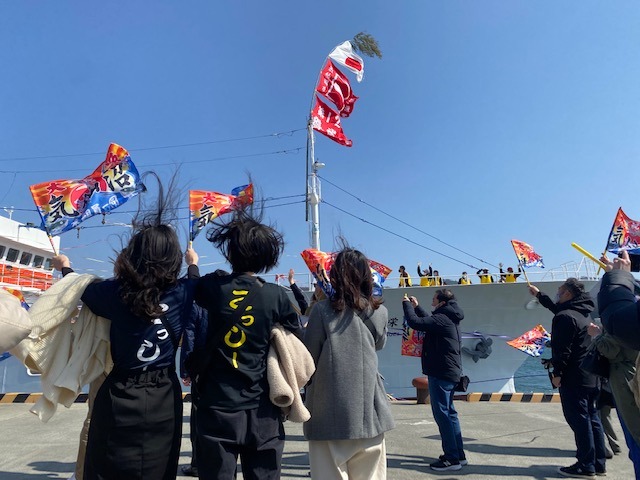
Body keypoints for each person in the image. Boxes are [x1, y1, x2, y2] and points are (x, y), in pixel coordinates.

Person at [52, 183, 201, 479]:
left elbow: (80, 289)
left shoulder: (114, 293)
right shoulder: (184, 292)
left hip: (120, 391)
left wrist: (65, 266)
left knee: (107, 464)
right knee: (159, 466)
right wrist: (192, 264)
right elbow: (194, 279)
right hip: (163, 395)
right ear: (172, 259)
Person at [193, 207, 303, 480]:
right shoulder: (276, 296)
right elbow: (296, 337)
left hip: (218, 405)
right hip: (262, 408)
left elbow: (191, 287)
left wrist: (193, 264)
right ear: (267, 256)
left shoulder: (213, 287)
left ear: (230, 252)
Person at [303, 247, 395, 479]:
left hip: (328, 414)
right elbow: (379, 344)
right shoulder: (379, 311)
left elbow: (308, 358)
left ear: (335, 275)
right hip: (370, 413)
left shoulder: (321, 311)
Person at [528, 279, 606, 477]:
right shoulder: (583, 314)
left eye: (560, 292)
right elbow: (559, 310)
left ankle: (585, 465)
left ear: (568, 294)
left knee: (579, 421)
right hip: (591, 376)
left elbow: (562, 351)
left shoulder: (564, 317)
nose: (557, 294)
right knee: (593, 418)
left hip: (573, 377)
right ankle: (598, 463)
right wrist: (539, 295)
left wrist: (557, 374)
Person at [402, 289, 467, 471]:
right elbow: (429, 322)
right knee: (450, 414)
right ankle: (459, 455)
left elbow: (415, 323)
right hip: (449, 372)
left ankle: (451, 459)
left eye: (434, 299)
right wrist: (417, 307)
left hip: (440, 372)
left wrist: (406, 305)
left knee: (442, 415)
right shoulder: (449, 317)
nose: (432, 302)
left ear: (441, 302)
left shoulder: (442, 318)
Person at [179, 303, 209, 478]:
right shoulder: (227, 300)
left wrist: (186, 370)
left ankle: (197, 464)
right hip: (227, 368)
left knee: (198, 418)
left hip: (201, 369)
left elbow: (189, 337)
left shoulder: (197, 306)